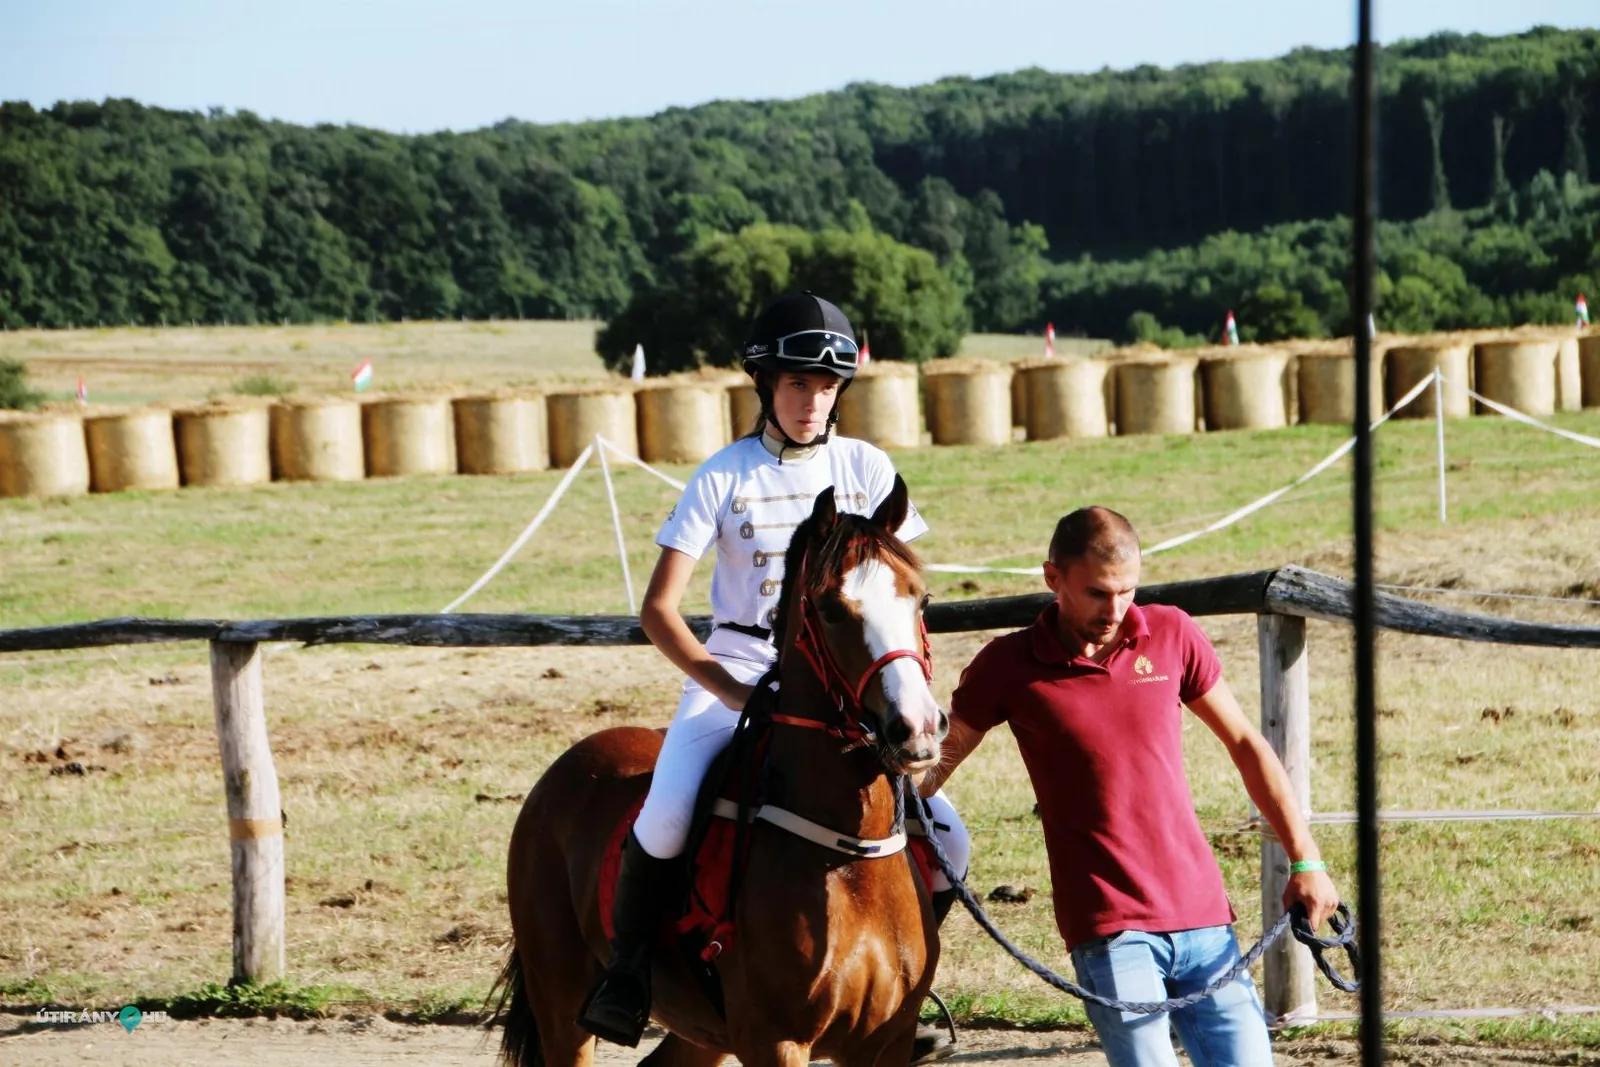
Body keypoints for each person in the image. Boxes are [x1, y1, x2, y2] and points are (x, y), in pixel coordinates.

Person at [578, 291, 971, 1061]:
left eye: (825, 387)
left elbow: (900, 595)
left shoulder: (867, 467)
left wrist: (904, 687)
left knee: (950, 838)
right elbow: (660, 609)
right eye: (796, 384)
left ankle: (895, 988)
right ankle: (627, 975)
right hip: (741, 670)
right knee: (662, 818)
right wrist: (724, 686)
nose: (811, 401)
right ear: (765, 384)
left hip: (848, 684)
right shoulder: (725, 476)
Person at [919, 506, 1341, 1067]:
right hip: (1109, 928)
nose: (1116, 610)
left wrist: (1306, 860)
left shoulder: (1171, 633)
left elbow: (1245, 744)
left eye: (1128, 590)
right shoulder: (1008, 665)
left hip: (1203, 916)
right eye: (1097, 592)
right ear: (1053, 578)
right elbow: (935, 766)